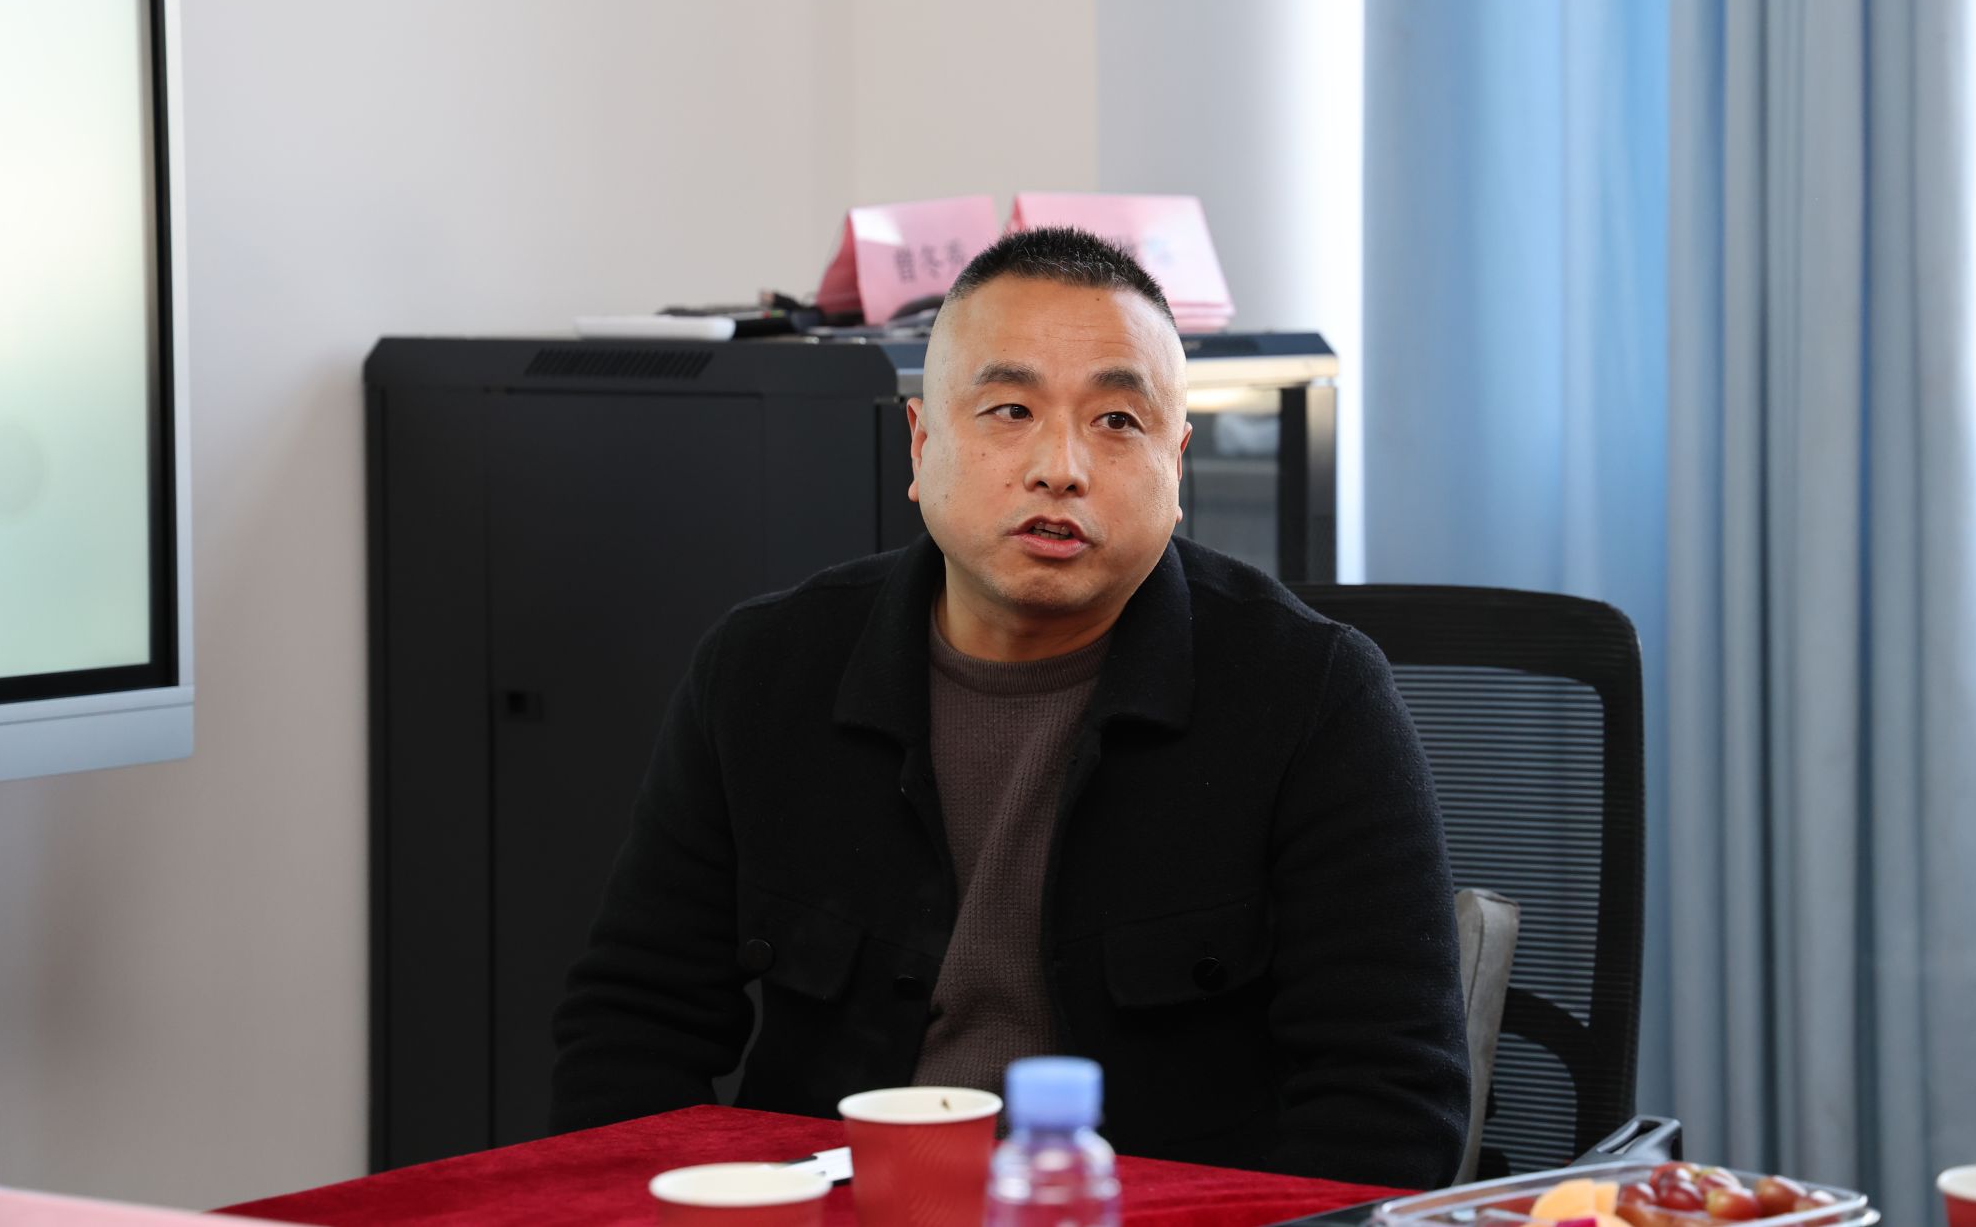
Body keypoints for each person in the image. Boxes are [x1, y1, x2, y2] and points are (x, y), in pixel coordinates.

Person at [550, 227, 1469, 1189]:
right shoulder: (762, 671)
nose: (1060, 467)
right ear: (921, 443)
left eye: (1118, 420)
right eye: (1010, 409)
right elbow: (632, 1029)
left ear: (1177, 464)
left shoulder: (1314, 696)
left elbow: (1388, 1099)